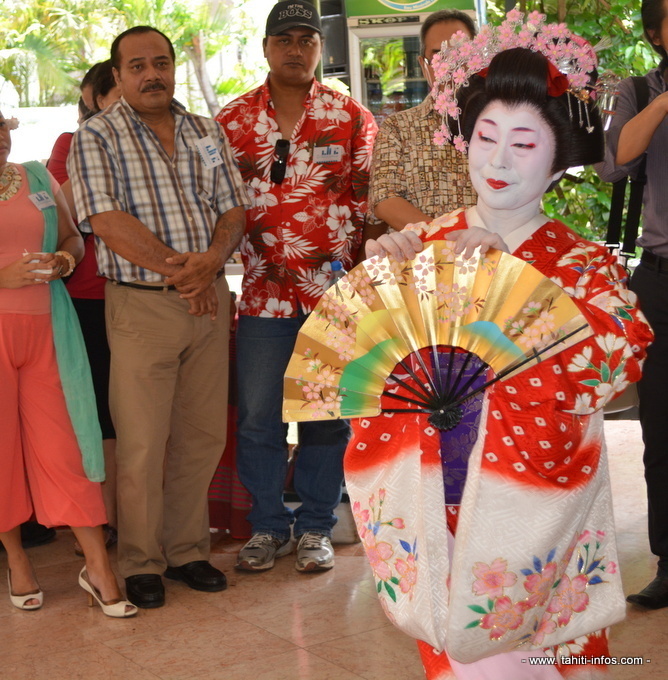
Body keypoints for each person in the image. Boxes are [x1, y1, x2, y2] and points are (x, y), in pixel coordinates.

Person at [342, 12, 653, 679]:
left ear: (559, 151)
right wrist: (379, 289)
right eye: (485, 136)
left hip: (538, 508)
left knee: (545, 660)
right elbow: (359, 382)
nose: (500, 160)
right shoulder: (427, 243)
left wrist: (522, 285)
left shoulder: (578, 261)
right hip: (436, 501)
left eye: (524, 141)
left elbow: (615, 371)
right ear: (463, 138)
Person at [68, 25, 249, 609]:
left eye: (162, 63)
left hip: (208, 298)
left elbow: (233, 210)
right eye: (138, 65)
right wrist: (185, 273)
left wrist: (212, 264)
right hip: (143, 305)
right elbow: (105, 220)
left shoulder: (205, 130)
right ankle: (141, 560)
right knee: (143, 443)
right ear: (117, 75)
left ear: (174, 68)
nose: (153, 74)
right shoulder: (96, 137)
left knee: (201, 435)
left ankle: (188, 551)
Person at [216, 0, 379, 573]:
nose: (294, 48)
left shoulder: (350, 115)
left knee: (324, 418)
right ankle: (266, 527)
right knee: (259, 418)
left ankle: (314, 528)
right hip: (262, 294)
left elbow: (369, 203)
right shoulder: (232, 121)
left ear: (320, 50)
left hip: (331, 298)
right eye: (283, 38)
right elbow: (218, 205)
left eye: (306, 40)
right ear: (265, 48)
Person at [0, 110, 136, 618]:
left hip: (49, 335)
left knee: (70, 447)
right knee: (1, 452)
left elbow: (73, 239)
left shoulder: (37, 175)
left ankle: (97, 564)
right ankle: (16, 559)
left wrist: (64, 261)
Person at [594, 0, 668, 611]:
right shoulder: (637, 90)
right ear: (655, 33)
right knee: (663, 429)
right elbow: (615, 163)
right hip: (664, 281)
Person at [47, 60, 122, 558]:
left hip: (140, 295)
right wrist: (96, 145)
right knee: (95, 414)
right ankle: (102, 519)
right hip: (85, 299)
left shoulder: (155, 142)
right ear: (93, 98)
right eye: (115, 90)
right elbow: (61, 217)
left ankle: (134, 517)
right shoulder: (67, 147)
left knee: (135, 416)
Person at [369, 9, 477, 230]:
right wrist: (448, 241)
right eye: (438, 56)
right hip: (420, 260)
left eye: (459, 54)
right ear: (423, 64)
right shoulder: (397, 128)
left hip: (492, 257)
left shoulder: (500, 123)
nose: (449, 66)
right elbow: (384, 199)